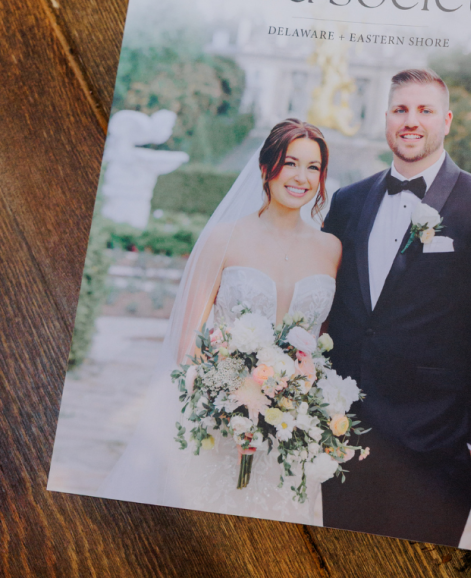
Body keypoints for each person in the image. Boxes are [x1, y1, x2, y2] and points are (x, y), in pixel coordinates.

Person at [321, 69, 471, 547]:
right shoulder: (349, 202)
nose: (410, 121)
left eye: (424, 110)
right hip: (344, 439)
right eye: (400, 110)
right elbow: (331, 308)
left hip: (436, 453)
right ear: (387, 119)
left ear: (447, 121)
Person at [97, 119, 341, 524]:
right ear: (266, 168)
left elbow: (323, 344)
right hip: (222, 426)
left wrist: (299, 400)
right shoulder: (224, 238)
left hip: (291, 434)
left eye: (313, 167)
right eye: (290, 163)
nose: (302, 177)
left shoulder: (331, 249)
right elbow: (188, 343)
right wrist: (238, 398)